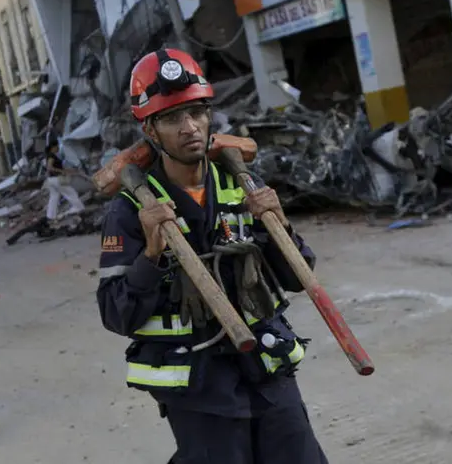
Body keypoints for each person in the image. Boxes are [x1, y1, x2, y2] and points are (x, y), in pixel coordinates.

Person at [96, 49, 329, 463]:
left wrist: (281, 226)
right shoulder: (132, 210)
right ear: (150, 129)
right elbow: (117, 314)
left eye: (197, 113)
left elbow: (297, 275)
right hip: (199, 386)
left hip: (265, 365)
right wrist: (151, 253)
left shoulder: (242, 185)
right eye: (171, 118)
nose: (189, 128)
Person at [43, 138, 84, 221]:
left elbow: (50, 169)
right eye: (57, 146)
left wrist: (70, 171)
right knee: (71, 192)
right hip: (57, 179)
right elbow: (50, 168)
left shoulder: (49, 156)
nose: (58, 148)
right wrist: (62, 171)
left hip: (51, 180)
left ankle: (50, 216)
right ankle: (78, 207)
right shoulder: (51, 156)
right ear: (53, 147)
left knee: (54, 197)